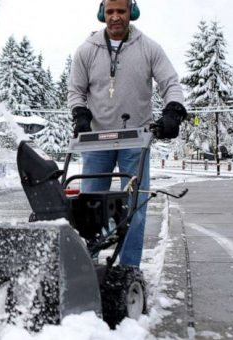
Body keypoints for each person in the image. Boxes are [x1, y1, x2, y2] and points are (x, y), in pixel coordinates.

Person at [68, 0, 187, 268]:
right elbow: (75, 90)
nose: (115, 17)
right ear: (102, 14)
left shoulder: (149, 48)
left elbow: (170, 83)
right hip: (97, 141)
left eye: (120, 11)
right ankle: (87, 267)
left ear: (131, 12)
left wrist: (173, 111)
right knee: (90, 205)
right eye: (110, 12)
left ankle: (129, 270)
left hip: (136, 139)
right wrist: (80, 113)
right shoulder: (87, 50)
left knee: (135, 207)